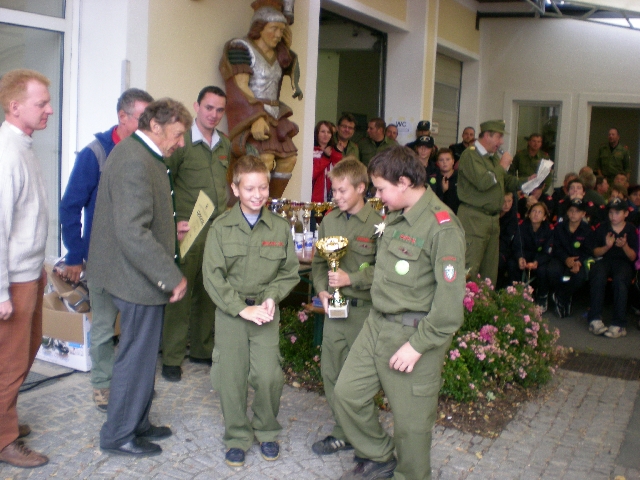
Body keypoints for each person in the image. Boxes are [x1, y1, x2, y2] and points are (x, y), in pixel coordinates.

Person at [333, 146, 465, 480]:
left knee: (411, 425)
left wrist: (417, 346)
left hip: (412, 333)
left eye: (381, 188)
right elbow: (382, 271)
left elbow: (449, 308)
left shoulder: (442, 227)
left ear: (404, 182)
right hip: (377, 324)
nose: (377, 196)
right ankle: (379, 455)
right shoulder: (394, 215)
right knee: (346, 393)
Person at [88, 99, 190, 457]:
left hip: (133, 273)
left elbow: (142, 217)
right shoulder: (135, 159)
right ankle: (118, 435)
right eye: (178, 135)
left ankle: (137, 422)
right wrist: (171, 277)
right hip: (136, 277)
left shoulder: (141, 154)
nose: (180, 143)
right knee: (136, 356)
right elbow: (133, 231)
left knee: (144, 356)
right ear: (156, 126)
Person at [59, 88, 152, 411]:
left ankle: (131, 385)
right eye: (143, 118)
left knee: (137, 328)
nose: (150, 124)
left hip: (137, 260)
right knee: (102, 327)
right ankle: (102, 385)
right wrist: (74, 254)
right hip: (102, 259)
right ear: (122, 117)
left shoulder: (149, 152)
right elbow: (70, 206)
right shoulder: (96, 153)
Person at [202, 155, 299, 467]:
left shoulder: (280, 228)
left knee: (268, 375)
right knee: (230, 377)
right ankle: (236, 437)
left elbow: (289, 272)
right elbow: (212, 277)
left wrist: (271, 297)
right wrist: (239, 309)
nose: (258, 195)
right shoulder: (220, 227)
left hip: (265, 312)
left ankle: (267, 430)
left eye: (263, 187)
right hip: (231, 312)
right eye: (249, 188)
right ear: (235, 188)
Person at [160, 86, 232, 383]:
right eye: (209, 108)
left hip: (217, 229)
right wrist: (172, 220)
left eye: (219, 110)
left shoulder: (225, 144)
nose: (214, 114)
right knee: (182, 291)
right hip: (190, 228)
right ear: (197, 106)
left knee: (209, 290)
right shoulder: (182, 143)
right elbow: (164, 183)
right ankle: (172, 357)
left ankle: (202, 349)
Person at [0, 69, 52, 468]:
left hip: (29, 272)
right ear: (15, 107)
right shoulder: (6, 153)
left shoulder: (24, 147)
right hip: (12, 279)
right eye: (41, 103)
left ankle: (7, 419)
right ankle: (4, 440)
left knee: (26, 351)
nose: (49, 109)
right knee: (10, 362)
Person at [310, 157, 379, 456]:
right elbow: (317, 263)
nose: (335, 196)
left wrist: (354, 277)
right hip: (334, 312)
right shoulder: (329, 220)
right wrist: (322, 291)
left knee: (358, 379)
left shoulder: (378, 224)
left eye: (341, 190)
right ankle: (344, 431)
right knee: (331, 373)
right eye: (333, 190)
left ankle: (362, 436)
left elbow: (386, 270)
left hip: (363, 312)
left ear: (361, 188)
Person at [220, 0, 303, 199]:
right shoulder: (240, 47)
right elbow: (240, 86)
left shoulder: (279, 54)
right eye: (273, 29)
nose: (277, 35)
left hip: (275, 114)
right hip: (251, 113)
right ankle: (253, 204)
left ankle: (271, 204)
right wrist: (256, 116)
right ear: (259, 28)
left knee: (289, 160)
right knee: (263, 159)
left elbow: (287, 62)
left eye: (281, 30)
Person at [457, 120, 531, 284]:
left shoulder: (492, 158)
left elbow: (506, 182)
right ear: (487, 136)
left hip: (492, 219)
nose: (501, 142)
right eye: (499, 137)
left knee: (489, 272)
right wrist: (502, 165)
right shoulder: (470, 155)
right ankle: (463, 307)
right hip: (474, 218)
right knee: (470, 268)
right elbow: (484, 181)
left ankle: (484, 306)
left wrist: (528, 182)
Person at [587, 199, 638, 338]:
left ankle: (619, 324)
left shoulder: (631, 230)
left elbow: (633, 257)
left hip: (624, 263)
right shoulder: (602, 228)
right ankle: (595, 319)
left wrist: (624, 246)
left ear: (626, 213)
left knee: (620, 280)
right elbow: (595, 252)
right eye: (611, 213)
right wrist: (607, 247)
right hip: (605, 260)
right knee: (598, 274)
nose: (613, 216)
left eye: (617, 213)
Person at [549, 199, 594, 318]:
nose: (574, 214)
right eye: (571, 211)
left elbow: (588, 250)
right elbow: (556, 247)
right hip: (561, 258)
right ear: (567, 213)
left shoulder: (587, 230)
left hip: (578, 261)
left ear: (583, 214)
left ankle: (562, 296)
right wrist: (566, 259)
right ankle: (561, 296)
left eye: (577, 211)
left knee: (580, 277)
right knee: (553, 271)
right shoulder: (559, 228)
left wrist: (578, 262)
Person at [509, 203, 554, 311]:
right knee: (511, 264)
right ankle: (515, 293)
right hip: (525, 255)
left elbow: (548, 250)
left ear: (544, 217)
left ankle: (542, 297)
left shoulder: (548, 230)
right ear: (529, 214)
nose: (536, 214)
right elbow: (517, 245)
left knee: (543, 270)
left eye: (539, 212)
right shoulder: (522, 227)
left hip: (540, 257)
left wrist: (537, 262)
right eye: (533, 211)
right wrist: (520, 258)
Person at [312, 120, 342, 202]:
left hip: (332, 198)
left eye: (329, 132)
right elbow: (312, 174)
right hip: (316, 199)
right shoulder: (311, 151)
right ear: (317, 133)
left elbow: (340, 172)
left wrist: (337, 152)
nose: (326, 135)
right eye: (322, 131)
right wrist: (325, 157)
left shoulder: (334, 152)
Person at [430, 148, 459, 214]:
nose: (444, 162)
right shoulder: (434, 177)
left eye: (448, 159)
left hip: (457, 215)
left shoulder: (460, 177)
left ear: (453, 161)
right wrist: (442, 190)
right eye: (441, 160)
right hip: (439, 214)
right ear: (437, 163)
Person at [498, 192, 518, 289]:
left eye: (509, 201)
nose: (506, 204)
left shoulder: (513, 217)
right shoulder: (493, 214)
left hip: (505, 250)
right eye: (503, 201)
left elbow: (507, 239)